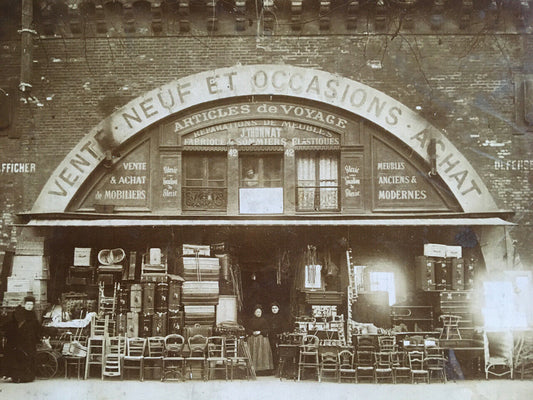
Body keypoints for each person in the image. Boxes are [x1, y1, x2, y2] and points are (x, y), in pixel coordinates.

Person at [5, 296, 41, 383]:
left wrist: (39, 335)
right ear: (24, 304)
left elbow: (36, 327)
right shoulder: (19, 313)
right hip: (20, 341)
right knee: (20, 358)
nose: (29, 306)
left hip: (30, 340)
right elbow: (13, 326)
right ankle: (17, 377)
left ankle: (28, 377)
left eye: (31, 304)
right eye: (28, 304)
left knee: (30, 358)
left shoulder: (33, 314)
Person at [246, 304, 274, 374]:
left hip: (262, 340)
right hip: (253, 340)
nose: (258, 313)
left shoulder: (264, 320)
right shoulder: (251, 320)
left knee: (262, 354)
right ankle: (253, 369)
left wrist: (260, 332)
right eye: (257, 312)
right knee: (254, 353)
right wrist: (252, 332)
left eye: (260, 312)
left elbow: (267, 330)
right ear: (254, 312)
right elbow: (247, 329)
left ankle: (263, 371)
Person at [268, 302, 285, 373]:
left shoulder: (282, 317)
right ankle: (273, 368)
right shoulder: (269, 317)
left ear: (278, 309)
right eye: (273, 308)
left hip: (279, 337)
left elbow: (284, 327)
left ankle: (280, 369)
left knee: (279, 353)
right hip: (271, 337)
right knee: (272, 352)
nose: (274, 310)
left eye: (275, 308)